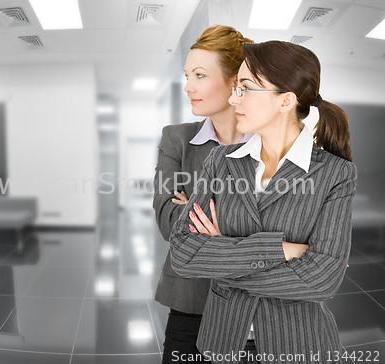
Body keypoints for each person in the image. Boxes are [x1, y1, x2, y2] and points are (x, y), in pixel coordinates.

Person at [169, 40, 357, 364]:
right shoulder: (221, 159)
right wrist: (282, 250)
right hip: (222, 340)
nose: (232, 99)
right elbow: (183, 251)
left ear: (285, 100)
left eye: (244, 88)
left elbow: (322, 280)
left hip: (299, 344)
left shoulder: (336, 174)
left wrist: (220, 253)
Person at [152, 25, 253, 363]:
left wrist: (196, 204)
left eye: (199, 75)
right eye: (186, 75)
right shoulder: (176, 139)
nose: (187, 87)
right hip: (192, 301)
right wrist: (247, 218)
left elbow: (292, 226)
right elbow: (169, 223)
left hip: (258, 305)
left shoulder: (269, 141)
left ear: (235, 82)